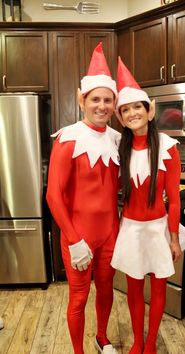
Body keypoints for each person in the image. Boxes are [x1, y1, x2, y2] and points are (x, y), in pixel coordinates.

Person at [111, 57, 185, 354]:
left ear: (149, 111)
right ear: (120, 118)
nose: (132, 113)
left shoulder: (169, 147)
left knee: (158, 288)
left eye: (137, 107)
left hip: (158, 229)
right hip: (130, 229)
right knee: (134, 288)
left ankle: (150, 343)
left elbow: (174, 198)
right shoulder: (117, 149)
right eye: (125, 109)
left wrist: (173, 237)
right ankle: (136, 340)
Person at [46, 43, 120, 354]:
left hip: (110, 234)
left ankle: (101, 338)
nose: (101, 105)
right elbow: (53, 195)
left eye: (107, 100)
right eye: (95, 99)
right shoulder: (67, 138)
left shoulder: (118, 139)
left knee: (106, 291)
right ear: (82, 100)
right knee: (78, 298)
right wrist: (74, 239)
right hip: (78, 235)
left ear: (114, 104)